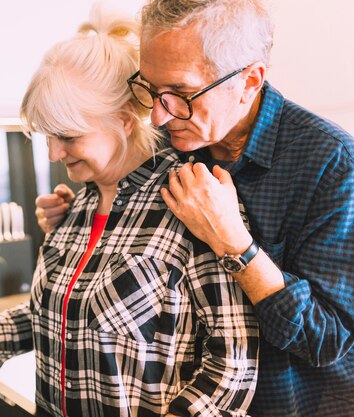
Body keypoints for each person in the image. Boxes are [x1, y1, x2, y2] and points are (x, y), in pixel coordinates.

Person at [0, 5, 259, 417]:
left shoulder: (192, 201)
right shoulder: (78, 206)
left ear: (123, 121)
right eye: (48, 136)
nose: (53, 154)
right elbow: (56, 318)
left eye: (68, 136)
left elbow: (234, 358)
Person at [35, 1, 354, 416]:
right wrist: (81, 219)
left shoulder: (330, 162)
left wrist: (233, 242)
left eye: (181, 94)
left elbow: (328, 339)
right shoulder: (174, 142)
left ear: (249, 81)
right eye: (149, 88)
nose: (158, 115)